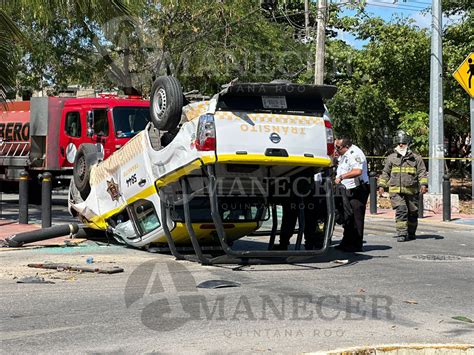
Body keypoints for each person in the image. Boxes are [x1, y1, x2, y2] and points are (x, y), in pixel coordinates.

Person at [378, 130, 428, 242]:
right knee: (401, 210)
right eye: (399, 143)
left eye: (403, 143)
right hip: (395, 191)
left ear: (408, 144)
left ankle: (411, 232)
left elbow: (422, 172)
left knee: (413, 212)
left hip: (411, 190)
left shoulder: (416, 158)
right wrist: (381, 185)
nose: (401, 145)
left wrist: (423, 184)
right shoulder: (391, 158)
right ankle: (401, 233)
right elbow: (385, 173)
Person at [273, 168, 325, 250]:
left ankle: (308, 244)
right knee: (291, 219)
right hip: (299, 188)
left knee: (300, 219)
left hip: (302, 189)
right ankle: (286, 243)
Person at [334, 137, 370, 252]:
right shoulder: (344, 154)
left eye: (338, 147)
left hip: (358, 189)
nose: (337, 149)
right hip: (348, 189)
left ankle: (356, 244)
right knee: (347, 216)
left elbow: (357, 171)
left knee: (356, 217)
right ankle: (346, 242)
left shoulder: (355, 153)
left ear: (346, 146)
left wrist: (341, 177)